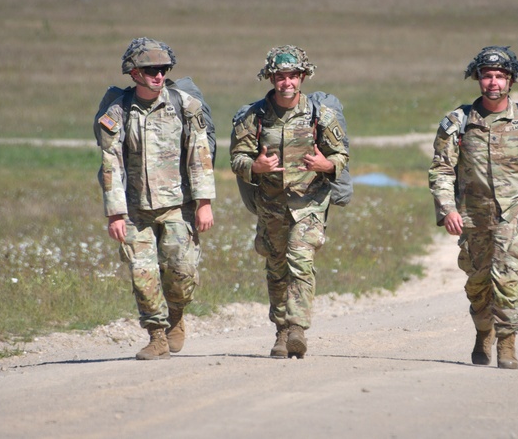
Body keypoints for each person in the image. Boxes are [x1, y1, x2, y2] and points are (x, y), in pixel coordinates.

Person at [428, 46, 518, 370]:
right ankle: (483, 332)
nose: (493, 82)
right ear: (478, 79)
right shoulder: (457, 123)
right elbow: (441, 170)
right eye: (487, 76)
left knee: (507, 277)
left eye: (500, 76)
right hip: (472, 216)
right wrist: (447, 209)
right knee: (478, 284)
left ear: (511, 81)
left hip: (514, 212)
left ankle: (507, 343)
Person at [95, 37, 215, 360]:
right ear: (134, 73)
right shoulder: (117, 113)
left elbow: (199, 155)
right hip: (136, 210)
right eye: (150, 70)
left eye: (163, 69)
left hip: (178, 206)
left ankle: (176, 314)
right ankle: (157, 335)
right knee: (143, 274)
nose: (158, 76)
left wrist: (204, 202)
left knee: (181, 272)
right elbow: (111, 163)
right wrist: (115, 213)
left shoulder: (185, 106)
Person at [229, 45, 348, 359]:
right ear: (271, 78)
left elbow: (341, 156)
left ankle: (297, 328)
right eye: (280, 76)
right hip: (271, 204)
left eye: (293, 76)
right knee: (276, 268)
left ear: (303, 77)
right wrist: (255, 167)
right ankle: (281, 332)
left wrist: (327, 165)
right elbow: (237, 158)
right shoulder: (254, 117)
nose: (287, 83)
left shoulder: (320, 115)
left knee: (300, 261)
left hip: (309, 203)